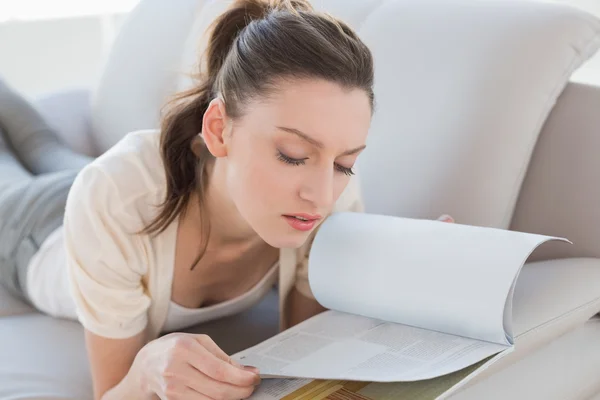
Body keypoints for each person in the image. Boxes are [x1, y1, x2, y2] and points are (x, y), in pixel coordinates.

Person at [0, 1, 454, 399]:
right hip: (34, 233)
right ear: (218, 129)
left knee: (44, 145)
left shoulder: (330, 194)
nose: (321, 195)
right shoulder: (115, 200)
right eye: (293, 155)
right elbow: (113, 394)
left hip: (103, 180)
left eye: (343, 163)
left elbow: (304, 353)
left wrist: (403, 285)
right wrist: (145, 372)